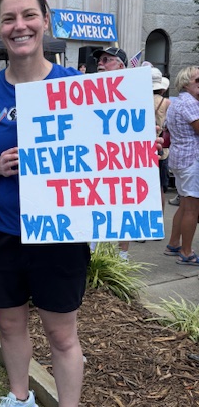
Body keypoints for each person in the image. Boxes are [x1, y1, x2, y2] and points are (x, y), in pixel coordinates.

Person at [0, 0, 90, 407]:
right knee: (11, 324)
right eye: (9, 19)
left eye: (28, 16)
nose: (19, 26)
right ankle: (20, 399)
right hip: (2, 229)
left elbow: (102, 153)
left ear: (46, 21)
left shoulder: (74, 85)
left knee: (62, 334)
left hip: (59, 231)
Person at [92, 46, 132, 260]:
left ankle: (122, 256)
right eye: (99, 60)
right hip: (94, 160)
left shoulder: (132, 92)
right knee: (94, 204)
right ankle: (92, 251)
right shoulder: (88, 90)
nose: (101, 63)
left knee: (125, 206)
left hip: (122, 160)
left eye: (107, 60)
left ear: (121, 66)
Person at [163, 66, 199, 263]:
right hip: (192, 159)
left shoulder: (177, 102)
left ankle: (174, 243)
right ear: (186, 83)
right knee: (192, 208)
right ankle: (186, 252)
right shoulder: (191, 103)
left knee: (185, 205)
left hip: (179, 158)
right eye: (197, 80)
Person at [152, 69, 170, 212]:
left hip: (141, 147)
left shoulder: (139, 99)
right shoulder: (167, 102)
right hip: (161, 147)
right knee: (160, 187)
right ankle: (160, 218)